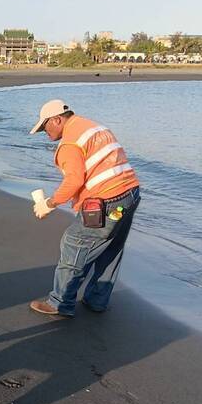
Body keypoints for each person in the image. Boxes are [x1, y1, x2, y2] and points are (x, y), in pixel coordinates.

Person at [27, 99, 141, 317]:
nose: (44, 132)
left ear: (57, 120)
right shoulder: (94, 127)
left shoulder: (70, 143)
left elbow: (74, 180)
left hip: (105, 201)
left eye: (45, 127)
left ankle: (60, 303)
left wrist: (49, 204)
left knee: (74, 244)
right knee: (111, 248)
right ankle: (97, 300)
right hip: (130, 195)